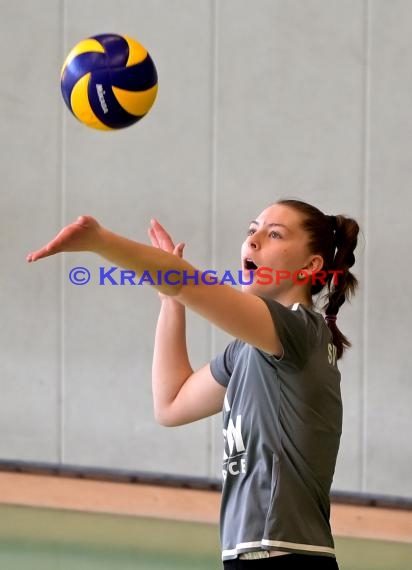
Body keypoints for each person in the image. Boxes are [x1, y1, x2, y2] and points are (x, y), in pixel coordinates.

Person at [27, 199, 359, 569]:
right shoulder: (250, 350)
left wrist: (102, 241)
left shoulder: (299, 331)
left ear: (310, 266)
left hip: (283, 553)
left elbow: (189, 284)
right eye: (252, 230)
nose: (253, 241)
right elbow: (171, 403)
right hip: (254, 551)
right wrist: (171, 301)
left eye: (274, 234)